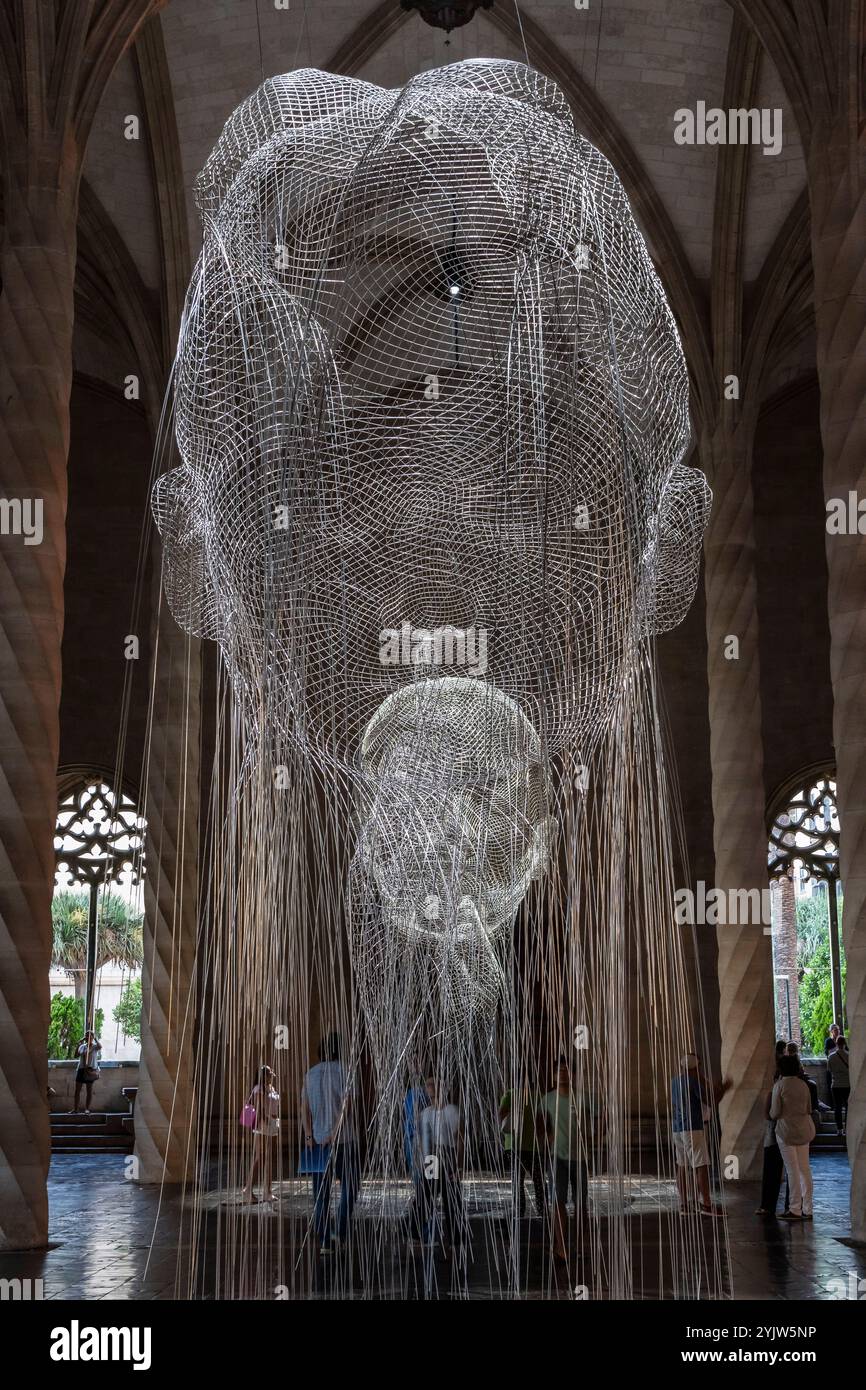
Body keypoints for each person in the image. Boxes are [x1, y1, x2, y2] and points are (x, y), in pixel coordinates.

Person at [301, 1032, 360, 1253]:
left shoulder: (310, 1074)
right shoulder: (345, 1070)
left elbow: (304, 1109)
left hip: (316, 1142)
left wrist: (308, 1135)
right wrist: (335, 1133)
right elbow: (348, 1105)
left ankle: (325, 1240)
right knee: (350, 1187)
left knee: (320, 1193)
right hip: (344, 1140)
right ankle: (339, 1231)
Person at [542, 1057, 590, 1262]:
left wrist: (595, 1136)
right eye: (559, 1071)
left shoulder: (581, 1098)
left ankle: (580, 1246)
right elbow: (540, 1121)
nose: (562, 1073)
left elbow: (602, 1112)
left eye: (566, 1070)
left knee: (581, 1204)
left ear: (573, 1074)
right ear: (553, 1075)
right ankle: (561, 1247)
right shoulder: (547, 1099)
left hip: (578, 1158)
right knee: (558, 1202)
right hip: (557, 1158)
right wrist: (545, 1139)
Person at [670, 1053, 727, 1219]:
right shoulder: (693, 1082)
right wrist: (723, 1090)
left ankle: (684, 1204)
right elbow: (710, 1101)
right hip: (692, 1128)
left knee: (682, 1165)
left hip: (677, 1129)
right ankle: (707, 1204)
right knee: (701, 1165)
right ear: (695, 1068)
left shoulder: (674, 1082)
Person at [416, 1075, 465, 1256]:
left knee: (451, 1200)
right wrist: (424, 1161)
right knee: (425, 1196)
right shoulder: (426, 1113)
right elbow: (423, 1140)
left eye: (433, 1083)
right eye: (428, 1084)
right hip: (432, 1157)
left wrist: (459, 1166)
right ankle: (413, 1233)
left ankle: (455, 1241)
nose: (430, 1087)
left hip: (447, 1156)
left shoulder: (452, 1111)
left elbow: (459, 1139)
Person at [770, 1054, 815, 1220]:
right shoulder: (804, 1085)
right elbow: (809, 1108)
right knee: (805, 1169)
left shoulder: (780, 1085)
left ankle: (794, 1208)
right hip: (804, 1130)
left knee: (792, 1170)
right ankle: (808, 1208)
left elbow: (774, 1113)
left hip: (786, 1131)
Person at [499, 1084, 546, 1219]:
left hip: (514, 1145)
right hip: (534, 1145)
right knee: (539, 1181)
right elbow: (543, 1120)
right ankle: (542, 1211)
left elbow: (501, 1114)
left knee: (517, 1181)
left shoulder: (510, 1094)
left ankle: (519, 1212)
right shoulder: (539, 1095)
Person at [242, 1064, 281, 1204]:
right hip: (264, 1124)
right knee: (259, 1157)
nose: (272, 1074)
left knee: (268, 1157)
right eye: (270, 1073)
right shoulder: (259, 1088)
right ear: (264, 1075)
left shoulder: (270, 1088)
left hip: (272, 1123)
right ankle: (248, 1190)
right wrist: (263, 1122)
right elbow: (259, 1107)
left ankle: (267, 1192)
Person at [73, 1030, 102, 1113]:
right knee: (77, 1090)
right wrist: (79, 1044)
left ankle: (87, 1109)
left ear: (92, 1037)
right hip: (81, 1069)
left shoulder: (95, 1046)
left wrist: (95, 1039)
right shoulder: (82, 1046)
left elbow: (100, 1046)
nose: (87, 1037)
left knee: (89, 1090)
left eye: (89, 1036)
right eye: (86, 1036)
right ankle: (75, 1109)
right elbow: (76, 1055)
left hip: (90, 1070)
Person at [827, 1035, 850, 1136]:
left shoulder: (831, 1057)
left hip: (835, 1085)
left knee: (838, 1107)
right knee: (848, 1108)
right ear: (845, 1044)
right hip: (847, 1085)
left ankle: (839, 1129)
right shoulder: (849, 1056)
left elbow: (829, 1070)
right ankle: (848, 1128)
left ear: (836, 1044)